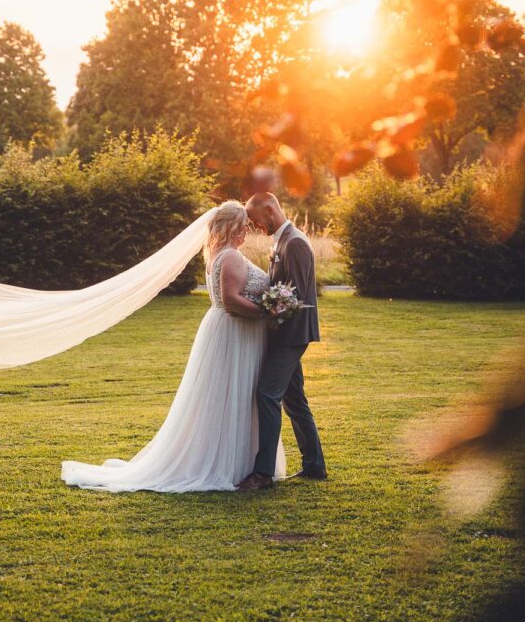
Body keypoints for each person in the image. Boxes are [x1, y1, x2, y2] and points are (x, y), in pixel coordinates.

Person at [60, 201, 287, 492]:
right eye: (243, 226)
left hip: (232, 334)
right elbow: (230, 301)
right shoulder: (229, 256)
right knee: (231, 396)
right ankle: (224, 464)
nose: (246, 231)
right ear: (230, 227)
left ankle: (236, 461)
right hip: (234, 334)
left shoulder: (219, 254)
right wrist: (265, 312)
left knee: (231, 398)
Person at [237, 192, 326, 491]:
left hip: (292, 335)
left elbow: (296, 297)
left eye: (255, 220)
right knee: (294, 399)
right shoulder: (281, 241)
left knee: (267, 395)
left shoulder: (296, 243)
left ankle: (262, 474)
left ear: (269, 209)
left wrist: (265, 308)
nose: (254, 226)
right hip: (282, 333)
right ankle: (314, 466)